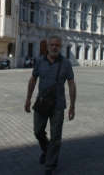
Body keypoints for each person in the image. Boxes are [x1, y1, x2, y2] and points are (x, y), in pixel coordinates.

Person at [24, 35, 76, 175]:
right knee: (38, 131)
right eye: (52, 45)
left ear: (60, 47)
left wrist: (72, 106)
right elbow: (33, 79)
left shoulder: (65, 63)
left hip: (58, 105)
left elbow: (71, 84)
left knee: (55, 136)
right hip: (42, 103)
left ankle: (50, 166)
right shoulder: (40, 61)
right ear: (48, 46)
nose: (54, 47)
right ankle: (47, 150)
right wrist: (28, 99)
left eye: (57, 45)